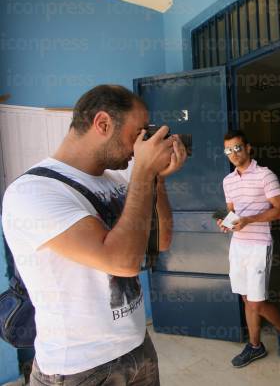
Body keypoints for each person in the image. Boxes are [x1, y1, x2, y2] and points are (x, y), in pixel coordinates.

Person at [1, 85, 187, 385]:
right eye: (138, 132)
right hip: (80, 367)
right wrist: (142, 171)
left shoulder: (113, 179)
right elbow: (121, 261)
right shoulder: (33, 191)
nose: (142, 143)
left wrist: (154, 177)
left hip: (137, 345)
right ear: (102, 123)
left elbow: (158, 243)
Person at [216, 130, 280, 368]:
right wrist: (225, 223)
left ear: (248, 148)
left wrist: (249, 220)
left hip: (259, 245)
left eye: (237, 147)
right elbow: (232, 213)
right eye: (228, 150)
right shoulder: (228, 180)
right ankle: (255, 346)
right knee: (245, 297)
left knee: (256, 302)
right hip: (238, 246)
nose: (233, 153)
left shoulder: (265, 175)